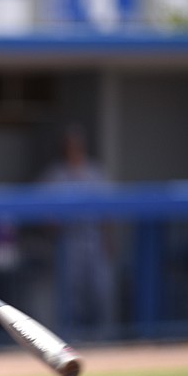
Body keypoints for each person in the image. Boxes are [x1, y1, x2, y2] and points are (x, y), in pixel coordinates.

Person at [39, 123, 116, 340]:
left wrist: (108, 239)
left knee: (101, 290)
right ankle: (73, 337)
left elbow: (108, 211)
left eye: (76, 143)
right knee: (71, 294)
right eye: (69, 144)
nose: (73, 147)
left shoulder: (95, 172)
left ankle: (104, 338)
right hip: (68, 241)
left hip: (94, 238)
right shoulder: (55, 174)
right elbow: (41, 214)